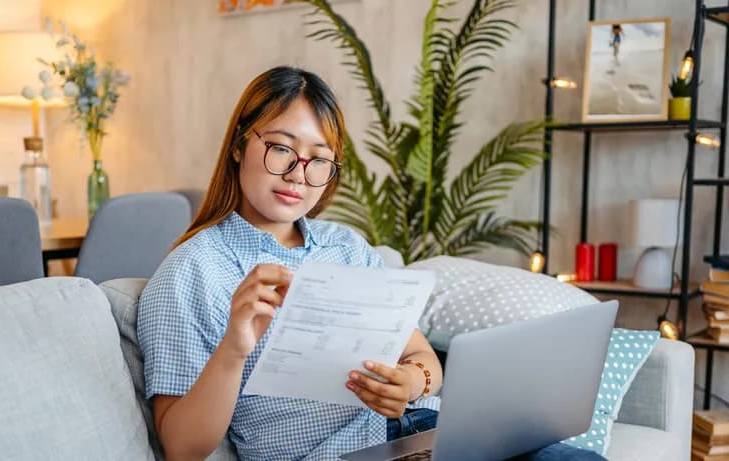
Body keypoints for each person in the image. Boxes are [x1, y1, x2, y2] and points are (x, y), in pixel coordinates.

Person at [137, 66, 604, 461]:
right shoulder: (191, 270)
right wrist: (234, 349)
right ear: (239, 145)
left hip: (426, 433)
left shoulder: (347, 247)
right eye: (281, 148)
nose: (300, 174)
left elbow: (422, 357)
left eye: (320, 160)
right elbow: (181, 447)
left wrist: (411, 381)